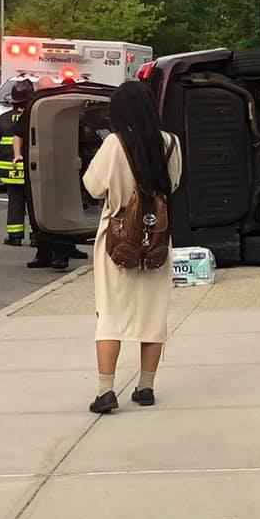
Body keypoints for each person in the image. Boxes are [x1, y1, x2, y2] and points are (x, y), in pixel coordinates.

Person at [82, 79, 182, 414]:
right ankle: (146, 386)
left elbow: (93, 186)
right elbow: (175, 184)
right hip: (156, 238)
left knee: (111, 314)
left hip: (118, 239)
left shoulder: (114, 144)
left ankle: (105, 390)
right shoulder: (171, 143)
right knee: (153, 314)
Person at [0, 78, 35, 249]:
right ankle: (36, 237)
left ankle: (15, 236)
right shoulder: (35, 116)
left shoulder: (2, 118)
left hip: (10, 169)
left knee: (15, 202)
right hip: (31, 169)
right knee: (34, 204)